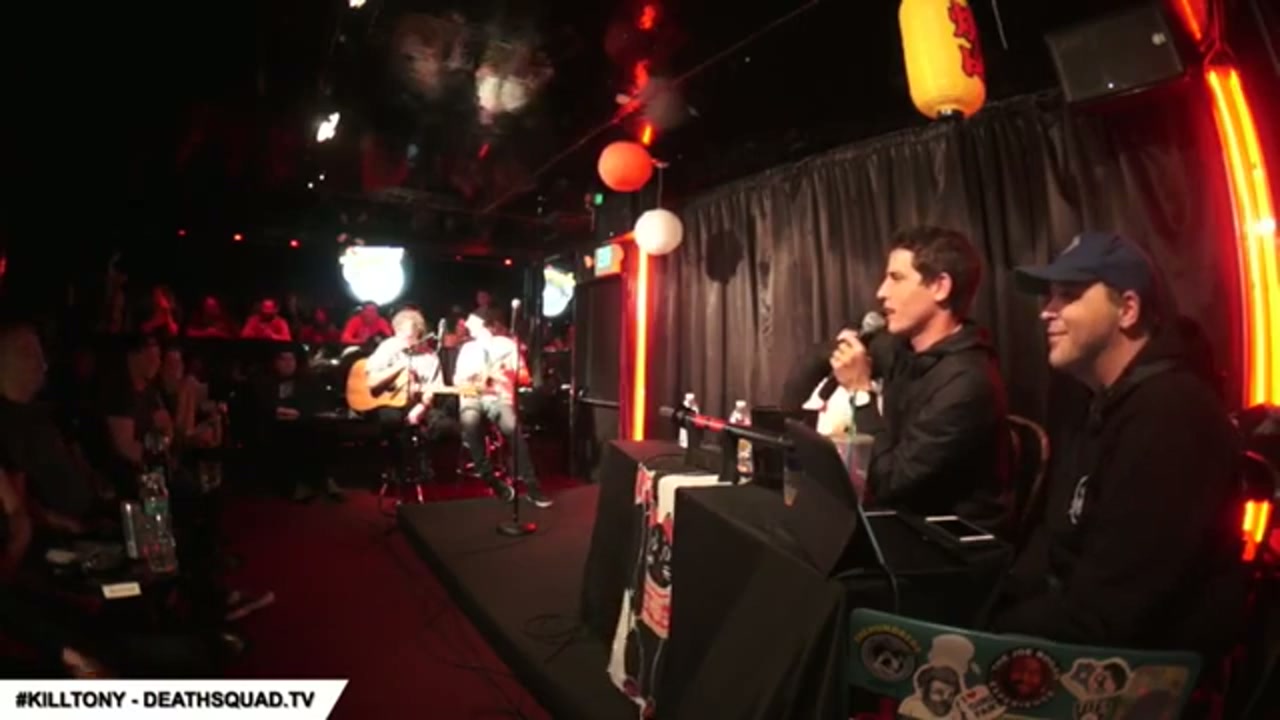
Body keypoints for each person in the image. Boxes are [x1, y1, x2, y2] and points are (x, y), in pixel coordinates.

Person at [989, 231, 1244, 656]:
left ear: (1127, 309)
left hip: (1142, 667)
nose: (1046, 312)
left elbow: (1112, 610)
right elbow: (1052, 548)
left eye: (1068, 295)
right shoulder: (1089, 400)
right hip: (1080, 633)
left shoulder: (1173, 417)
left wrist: (991, 631)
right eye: (1050, 296)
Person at [828, 226, 1010, 531]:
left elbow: (890, 483)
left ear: (940, 286)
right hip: (904, 520)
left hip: (948, 542)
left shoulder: (967, 382)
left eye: (896, 278)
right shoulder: (903, 350)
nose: (881, 292)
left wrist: (860, 393)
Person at [454, 309, 552, 508]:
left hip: (498, 397)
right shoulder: (467, 348)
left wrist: (507, 372)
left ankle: (532, 486)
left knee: (512, 428)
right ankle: (491, 480)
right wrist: (470, 378)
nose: (468, 325)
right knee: (470, 423)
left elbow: (525, 378)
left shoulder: (507, 345)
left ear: (486, 324)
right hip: (472, 396)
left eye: (472, 321)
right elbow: (457, 379)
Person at [364, 309, 453, 483]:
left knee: (442, 424)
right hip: (388, 404)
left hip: (416, 404)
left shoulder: (430, 356)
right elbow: (372, 381)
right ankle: (398, 470)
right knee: (391, 420)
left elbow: (433, 389)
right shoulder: (388, 347)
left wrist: (421, 408)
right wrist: (399, 366)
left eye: (409, 337)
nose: (403, 341)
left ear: (419, 335)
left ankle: (424, 469)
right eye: (400, 336)